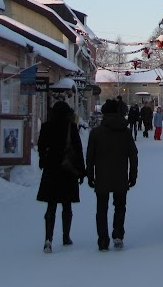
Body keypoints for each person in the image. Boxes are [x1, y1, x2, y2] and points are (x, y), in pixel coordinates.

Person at [85, 98, 138, 251]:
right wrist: (132, 175)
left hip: (102, 177)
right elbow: (133, 155)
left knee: (101, 208)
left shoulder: (96, 133)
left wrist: (90, 175)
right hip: (120, 176)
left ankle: (103, 239)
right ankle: (118, 235)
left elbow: (90, 156)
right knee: (120, 206)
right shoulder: (125, 132)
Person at [36, 100, 85, 254]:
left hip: (51, 170)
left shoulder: (46, 126)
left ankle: (48, 239)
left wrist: (43, 161)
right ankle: (66, 236)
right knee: (66, 205)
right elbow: (78, 149)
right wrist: (82, 171)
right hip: (67, 170)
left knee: (51, 205)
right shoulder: (71, 127)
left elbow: (41, 146)